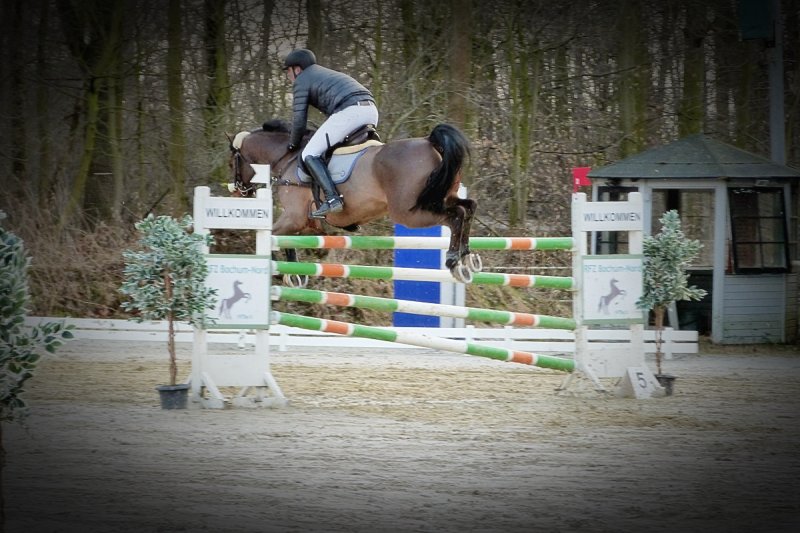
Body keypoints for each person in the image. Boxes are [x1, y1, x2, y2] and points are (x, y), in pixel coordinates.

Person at [282, 48, 379, 217]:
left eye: (288, 71)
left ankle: (333, 199)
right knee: (335, 153)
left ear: (297, 69)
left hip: (350, 111)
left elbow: (299, 120)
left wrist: (292, 144)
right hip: (371, 111)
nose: (288, 76)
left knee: (309, 154)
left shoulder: (302, 80)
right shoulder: (324, 73)